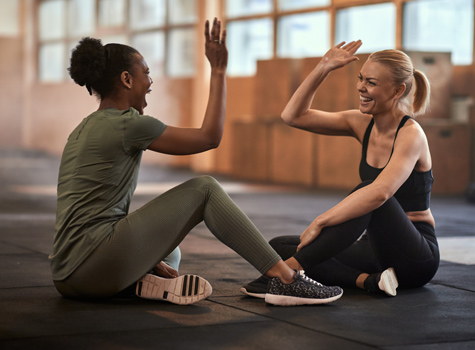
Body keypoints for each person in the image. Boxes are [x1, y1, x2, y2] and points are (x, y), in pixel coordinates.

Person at [49, 18, 343, 306]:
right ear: (126, 79)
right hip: (93, 263)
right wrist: (218, 70)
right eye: (146, 72)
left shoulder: (83, 129)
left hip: (67, 276)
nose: (150, 81)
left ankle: (141, 281)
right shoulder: (129, 124)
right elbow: (209, 138)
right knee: (205, 189)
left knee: (170, 251)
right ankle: (285, 279)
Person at [242, 41, 439, 298]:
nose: (361, 87)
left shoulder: (411, 135)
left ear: (398, 90)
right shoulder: (361, 123)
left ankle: (287, 274)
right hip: (373, 251)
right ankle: (369, 282)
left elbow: (380, 193)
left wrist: (320, 221)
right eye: (360, 79)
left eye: (371, 82)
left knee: (369, 191)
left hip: (415, 257)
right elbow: (293, 116)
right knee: (279, 246)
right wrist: (323, 67)